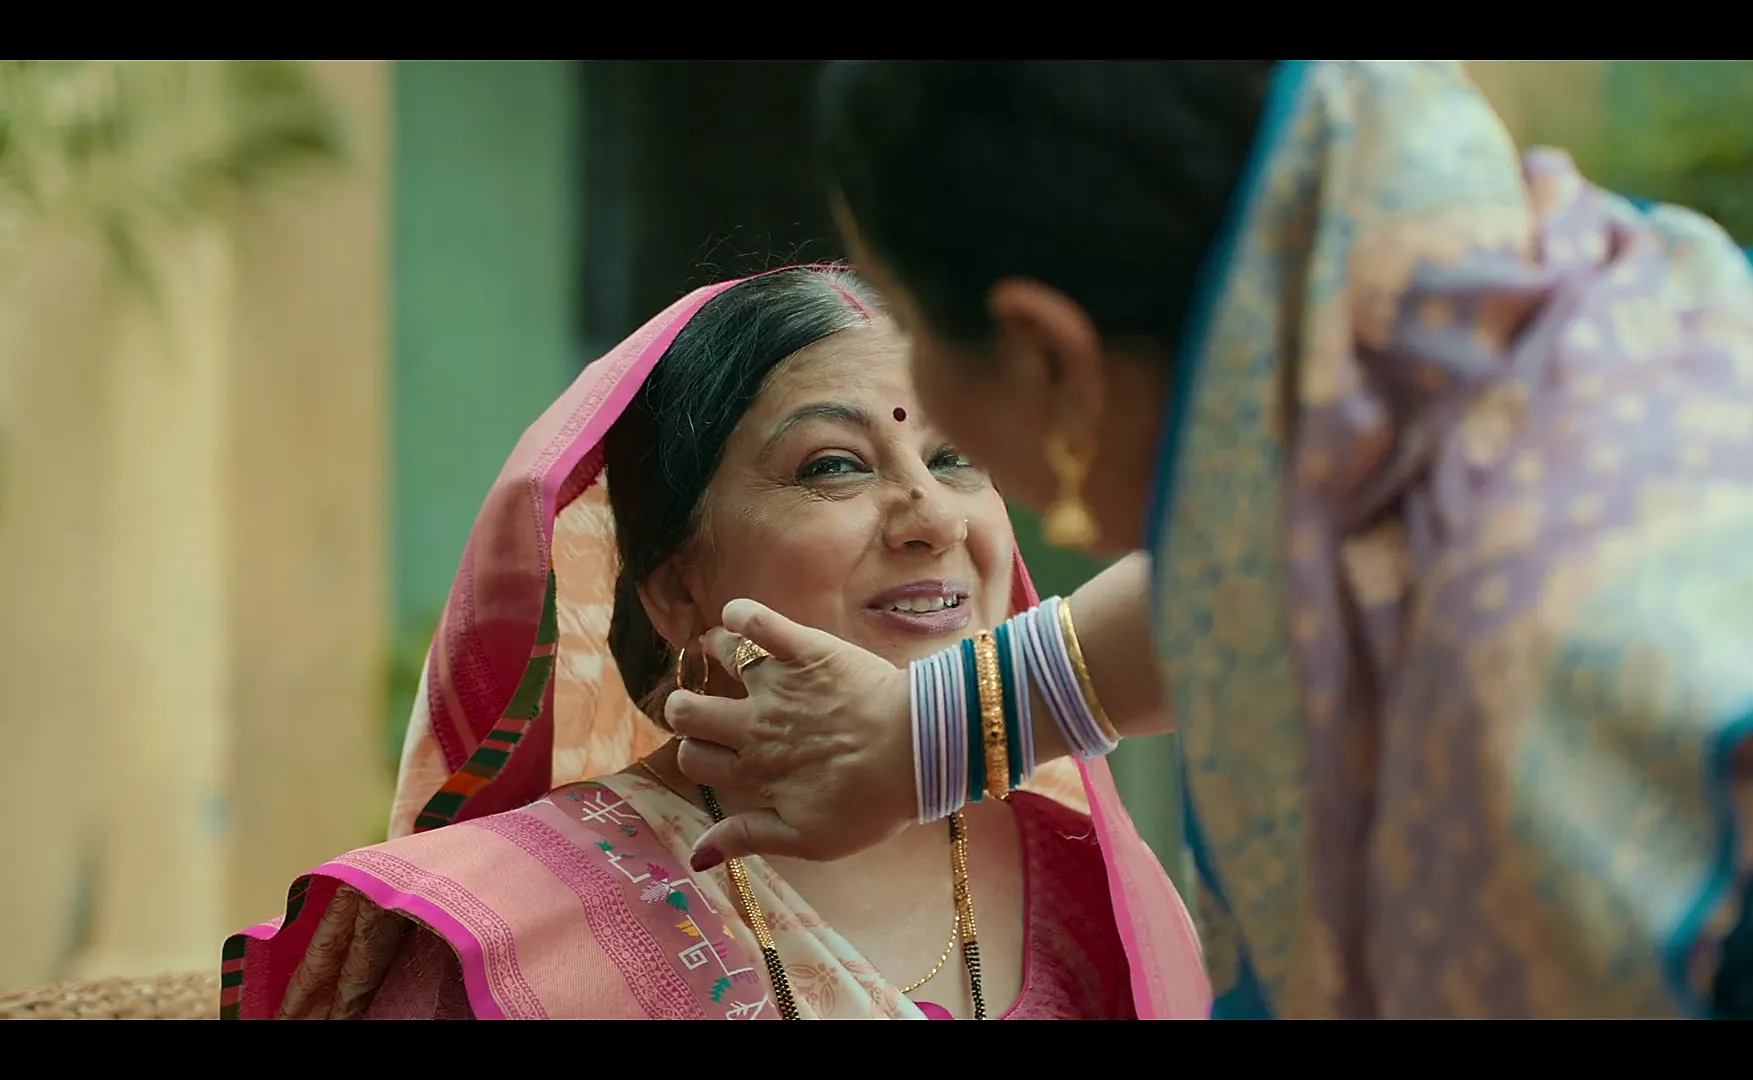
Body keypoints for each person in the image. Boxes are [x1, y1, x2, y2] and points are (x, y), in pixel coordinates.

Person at [659, 61, 1753, 1019]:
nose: (933, 512)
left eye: (913, 331)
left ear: (1049, 359)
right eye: (833, 464)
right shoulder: (1541, 329)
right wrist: (927, 733)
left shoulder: (1525, 664)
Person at [220, 266, 1210, 1020]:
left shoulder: (1094, 888)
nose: (933, 516)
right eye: (833, 466)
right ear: (674, 590)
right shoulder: (521, 937)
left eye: (956, 457)